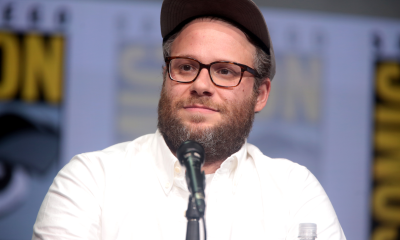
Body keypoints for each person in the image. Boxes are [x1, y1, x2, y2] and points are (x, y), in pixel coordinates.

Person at [33, 0, 346, 239]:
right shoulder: (92, 181)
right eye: (185, 67)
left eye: (225, 71)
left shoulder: (294, 191)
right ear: (165, 77)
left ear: (261, 95)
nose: (201, 84)